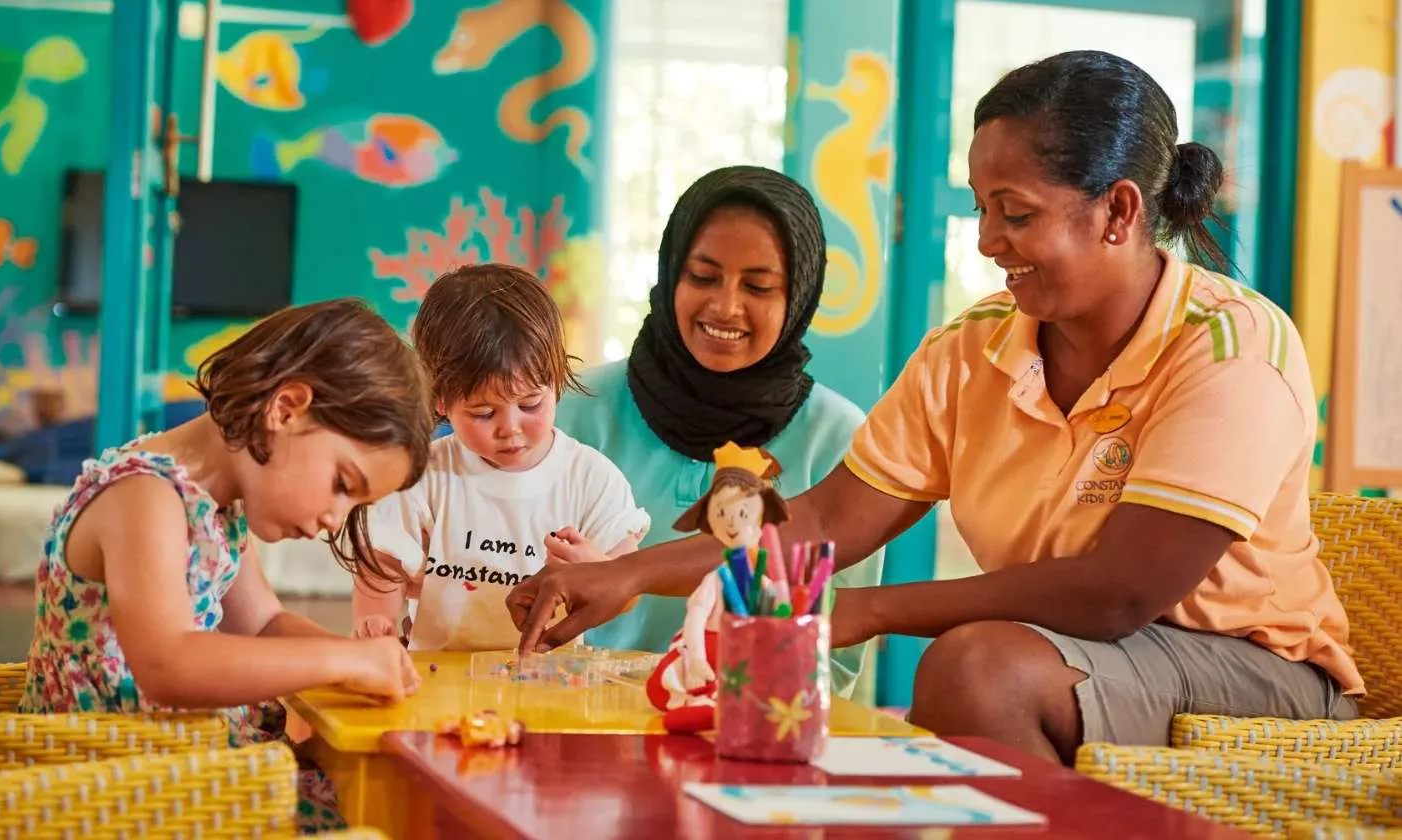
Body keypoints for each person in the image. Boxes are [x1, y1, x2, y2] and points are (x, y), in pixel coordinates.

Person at [509, 50, 1362, 764]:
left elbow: (1120, 593)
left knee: (976, 670)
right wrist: (625, 574)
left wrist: (859, 612)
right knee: (968, 672)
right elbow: (825, 521)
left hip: (1255, 669)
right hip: (1076, 656)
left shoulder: (1231, 345)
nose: (986, 241)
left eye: (1014, 213)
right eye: (981, 208)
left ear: (1119, 210)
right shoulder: (975, 345)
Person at [19, 298, 433, 832]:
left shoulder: (217, 505)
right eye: (341, 484)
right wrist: (342, 662)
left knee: (394, 801)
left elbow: (264, 624)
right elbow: (167, 664)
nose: (336, 519)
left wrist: (370, 661)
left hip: (182, 765)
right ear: (286, 409)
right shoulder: (145, 496)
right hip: (117, 787)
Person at [552, 165, 884, 699]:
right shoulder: (572, 410)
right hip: (576, 715)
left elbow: (834, 659)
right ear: (670, 274)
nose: (726, 306)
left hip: (751, 725)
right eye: (703, 277)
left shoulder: (839, 437)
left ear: (799, 296)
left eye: (758, 286)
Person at [352, 263, 650, 651]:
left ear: (555, 380)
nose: (510, 428)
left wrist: (599, 572)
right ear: (440, 400)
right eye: (483, 413)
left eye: (530, 404)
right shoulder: (424, 475)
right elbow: (383, 565)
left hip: (549, 676)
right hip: (440, 675)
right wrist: (375, 623)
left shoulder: (591, 478)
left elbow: (629, 590)